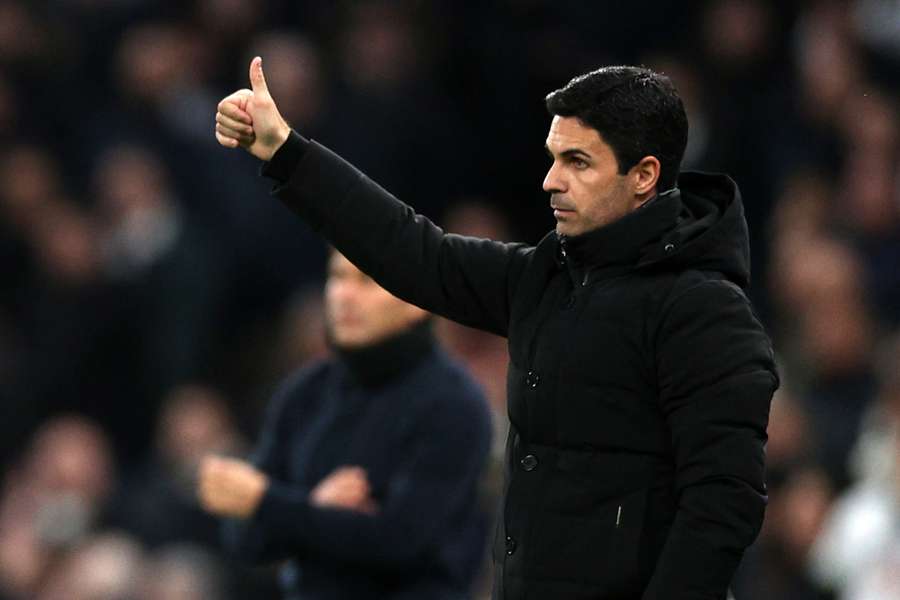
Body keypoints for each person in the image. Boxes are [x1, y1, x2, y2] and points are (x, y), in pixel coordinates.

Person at [212, 57, 779, 599]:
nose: (550, 181)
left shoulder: (705, 312)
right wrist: (285, 152)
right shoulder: (546, 278)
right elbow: (413, 251)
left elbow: (723, 503)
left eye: (578, 162)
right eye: (553, 157)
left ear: (644, 176)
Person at [197, 250, 494, 600]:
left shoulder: (455, 404)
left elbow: (399, 540)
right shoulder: (304, 393)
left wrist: (271, 504)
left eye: (367, 281)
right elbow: (245, 539)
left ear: (419, 300)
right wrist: (312, 507)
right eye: (337, 277)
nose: (344, 295)